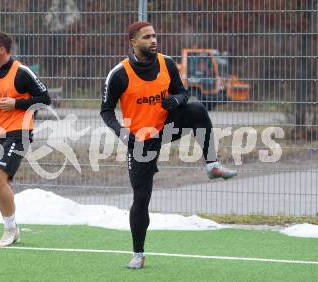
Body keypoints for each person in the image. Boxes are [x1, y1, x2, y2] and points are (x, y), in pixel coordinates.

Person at [100, 22, 237, 269]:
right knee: (141, 199)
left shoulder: (167, 63)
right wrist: (124, 135)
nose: (153, 40)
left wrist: (176, 99)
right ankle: (138, 254)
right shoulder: (119, 74)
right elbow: (106, 111)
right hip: (140, 140)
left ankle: (212, 164)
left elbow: (183, 92)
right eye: (147, 37)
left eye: (155, 36)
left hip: (166, 127)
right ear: (133, 41)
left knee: (196, 109)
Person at [0, 32, 51, 247]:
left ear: (2, 50)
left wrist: (17, 104)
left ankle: (10, 229)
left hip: (20, 133)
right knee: (2, 184)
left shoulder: (22, 72)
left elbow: (45, 99)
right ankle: (12, 228)